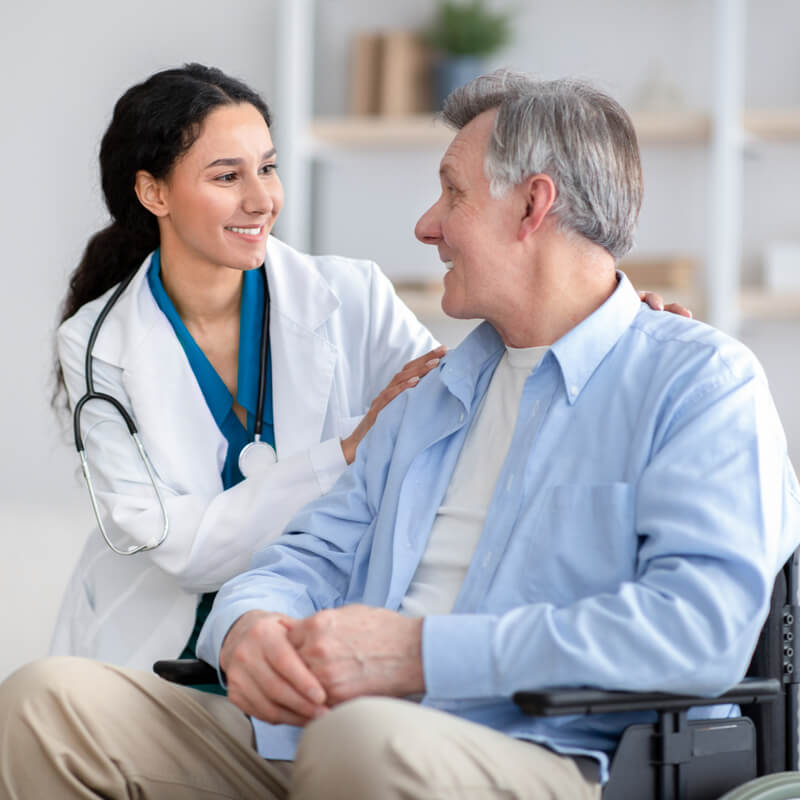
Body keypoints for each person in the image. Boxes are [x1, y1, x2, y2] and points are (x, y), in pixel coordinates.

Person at [0, 71, 749, 799]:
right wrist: (247, 626)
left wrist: (414, 656)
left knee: (359, 742)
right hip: (303, 709)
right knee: (44, 703)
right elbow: (299, 551)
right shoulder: (441, 392)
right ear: (152, 192)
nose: (425, 225)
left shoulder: (694, 381)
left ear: (533, 206)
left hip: (527, 738)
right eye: (228, 175)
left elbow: (701, 628)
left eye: (452, 193)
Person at [49, 63, 443, 673]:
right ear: (154, 193)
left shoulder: (353, 295)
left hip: (316, 635)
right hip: (156, 649)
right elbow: (181, 550)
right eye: (227, 175)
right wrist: (343, 454)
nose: (261, 199)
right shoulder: (95, 345)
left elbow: (462, 400)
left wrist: (606, 318)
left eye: (267, 167)